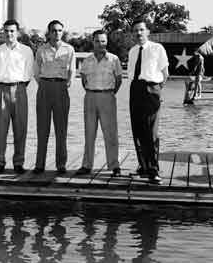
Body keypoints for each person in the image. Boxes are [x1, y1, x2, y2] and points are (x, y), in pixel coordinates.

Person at [0, 19, 34, 174]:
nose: (9, 34)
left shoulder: (26, 51)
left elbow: (28, 74)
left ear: (18, 32)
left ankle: (18, 162)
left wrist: (18, 87)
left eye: (12, 31)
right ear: (3, 32)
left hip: (20, 89)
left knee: (20, 128)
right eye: (6, 31)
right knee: (0, 128)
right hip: (1, 90)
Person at [127, 19, 169, 184]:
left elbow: (165, 74)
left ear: (148, 31)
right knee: (137, 129)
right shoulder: (132, 51)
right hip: (135, 89)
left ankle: (153, 170)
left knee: (151, 131)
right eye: (135, 30)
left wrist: (157, 92)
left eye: (141, 30)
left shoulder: (157, 48)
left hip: (151, 89)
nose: (138, 33)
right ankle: (143, 166)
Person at [77, 30, 123, 176]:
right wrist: (92, 91)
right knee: (89, 133)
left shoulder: (114, 59)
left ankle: (114, 165)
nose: (100, 44)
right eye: (97, 41)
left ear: (106, 42)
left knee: (110, 133)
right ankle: (86, 165)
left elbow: (119, 80)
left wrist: (108, 93)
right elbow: (84, 80)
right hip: (90, 97)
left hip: (107, 97)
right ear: (93, 42)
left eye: (103, 41)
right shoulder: (87, 60)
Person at [33, 20, 76, 175]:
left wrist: (65, 84)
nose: (57, 33)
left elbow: (72, 70)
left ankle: (61, 164)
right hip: (44, 87)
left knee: (61, 129)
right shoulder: (41, 50)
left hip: (61, 88)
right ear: (49, 32)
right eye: (54, 30)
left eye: (60, 30)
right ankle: (39, 164)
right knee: (42, 128)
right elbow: (36, 71)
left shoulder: (69, 49)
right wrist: (44, 84)